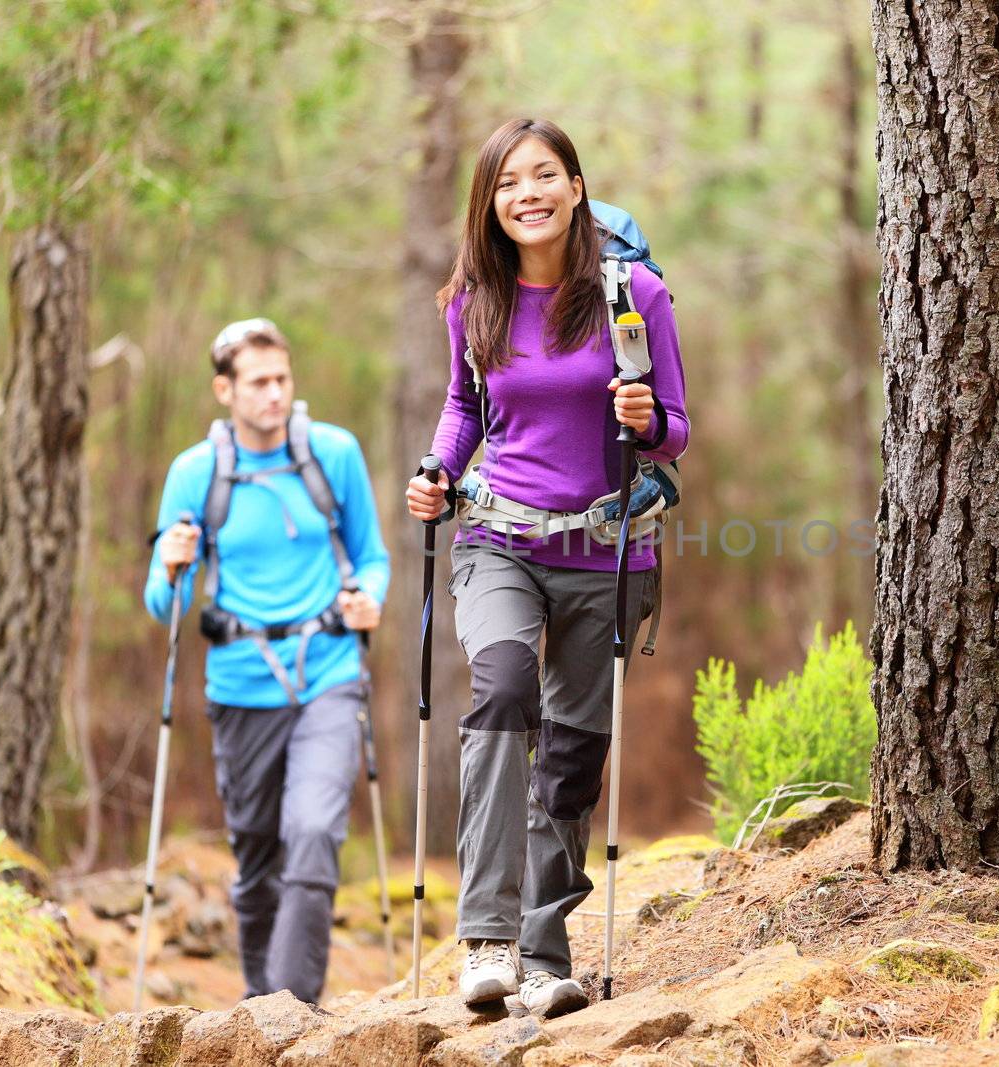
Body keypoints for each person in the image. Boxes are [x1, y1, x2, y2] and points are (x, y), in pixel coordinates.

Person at [406, 118, 690, 1018]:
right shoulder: (473, 297)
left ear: (575, 186)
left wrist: (644, 417)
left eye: (543, 176)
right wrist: (439, 470)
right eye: (506, 182)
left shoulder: (630, 292)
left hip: (606, 547)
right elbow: (465, 405)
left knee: (570, 748)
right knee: (498, 689)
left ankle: (543, 951)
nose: (526, 194)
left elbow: (675, 428)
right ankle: (485, 937)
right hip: (500, 538)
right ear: (490, 203)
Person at [145, 318, 391, 1004]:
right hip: (240, 683)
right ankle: (261, 1004)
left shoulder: (333, 453)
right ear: (224, 389)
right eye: (258, 383)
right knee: (256, 853)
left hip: (331, 671)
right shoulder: (196, 474)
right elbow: (164, 607)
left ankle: (293, 1008)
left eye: (283, 378)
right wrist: (170, 567)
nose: (275, 394)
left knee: (312, 830)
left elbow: (372, 555)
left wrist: (368, 597)